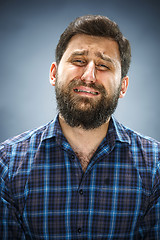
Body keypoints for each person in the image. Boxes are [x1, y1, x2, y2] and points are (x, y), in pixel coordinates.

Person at [0, 15, 159, 240]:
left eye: (103, 65)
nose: (88, 76)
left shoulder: (155, 166)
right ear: (54, 74)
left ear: (123, 86)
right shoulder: (7, 162)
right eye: (79, 61)